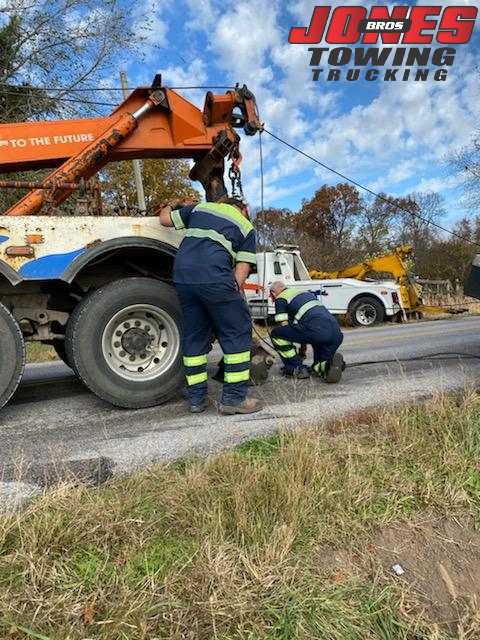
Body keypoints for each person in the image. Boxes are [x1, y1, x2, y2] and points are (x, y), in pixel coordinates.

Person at [159, 197, 263, 415]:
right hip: (215, 277)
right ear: (243, 208)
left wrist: (173, 202)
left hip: (183, 277)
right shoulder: (246, 226)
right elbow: (242, 270)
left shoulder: (199, 208)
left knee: (195, 335)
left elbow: (164, 219)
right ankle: (234, 398)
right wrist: (230, 294)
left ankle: (197, 398)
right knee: (237, 332)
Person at [269, 281, 345, 382]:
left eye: (271, 296)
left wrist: (296, 357)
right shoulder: (304, 294)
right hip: (336, 333)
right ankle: (329, 366)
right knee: (317, 366)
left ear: (273, 293)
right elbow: (300, 330)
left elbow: (285, 327)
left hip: (317, 332)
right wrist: (302, 350)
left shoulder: (281, 298)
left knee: (276, 334)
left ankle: (296, 368)